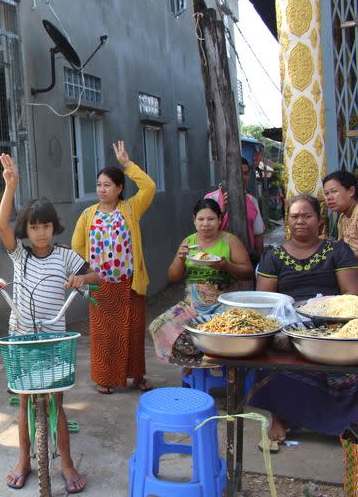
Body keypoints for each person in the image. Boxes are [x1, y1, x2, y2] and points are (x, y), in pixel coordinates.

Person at [0, 153, 96, 493]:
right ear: (26, 230)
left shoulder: (67, 255)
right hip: (22, 336)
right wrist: (11, 187)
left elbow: (94, 274)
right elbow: (0, 226)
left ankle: (66, 463)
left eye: (46, 226)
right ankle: (24, 460)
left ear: (55, 227)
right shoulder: (19, 255)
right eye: (34, 227)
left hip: (55, 339)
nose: (40, 233)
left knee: (56, 401)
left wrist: (83, 280)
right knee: (25, 402)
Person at [254, 194, 358, 443]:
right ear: (287, 221)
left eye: (307, 215)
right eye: (295, 216)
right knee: (270, 356)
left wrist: (324, 309)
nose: (301, 221)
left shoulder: (337, 251)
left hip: (332, 321)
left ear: (319, 220)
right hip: (289, 323)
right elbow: (265, 301)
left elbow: (352, 295)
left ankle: (345, 421)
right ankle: (280, 415)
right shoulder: (274, 256)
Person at [71, 140, 155, 394]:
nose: (102, 189)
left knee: (133, 332)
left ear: (119, 188)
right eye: (99, 185)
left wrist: (127, 165)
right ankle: (105, 378)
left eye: (107, 185)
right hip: (101, 285)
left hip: (130, 283)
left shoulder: (131, 208)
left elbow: (149, 187)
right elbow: (77, 247)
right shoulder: (88, 215)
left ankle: (137, 376)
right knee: (104, 335)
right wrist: (88, 274)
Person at [148, 199, 254, 363]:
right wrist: (180, 258)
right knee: (158, 326)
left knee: (217, 335)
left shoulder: (229, 241)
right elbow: (173, 277)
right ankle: (197, 362)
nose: (206, 224)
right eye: (201, 219)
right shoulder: (188, 242)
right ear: (194, 220)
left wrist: (226, 266)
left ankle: (213, 363)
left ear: (219, 219)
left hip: (223, 306)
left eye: (211, 219)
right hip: (192, 305)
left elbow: (248, 272)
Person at [205, 156, 265, 256]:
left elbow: (258, 235)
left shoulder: (252, 201)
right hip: (216, 259)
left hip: (246, 259)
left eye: (246, 173)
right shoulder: (211, 198)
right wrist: (222, 212)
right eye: (238, 173)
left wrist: (260, 261)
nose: (242, 177)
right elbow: (204, 230)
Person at [324, 170, 358, 258]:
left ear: (351, 191)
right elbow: (344, 247)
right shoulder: (342, 218)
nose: (329, 197)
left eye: (334, 191)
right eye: (326, 193)